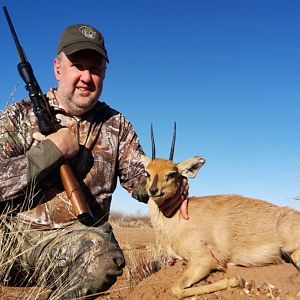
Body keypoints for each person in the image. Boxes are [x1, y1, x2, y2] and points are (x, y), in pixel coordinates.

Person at [0, 24, 189, 298]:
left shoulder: (117, 125)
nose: (86, 77)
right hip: (10, 241)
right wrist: (48, 152)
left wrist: (172, 184)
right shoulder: (17, 115)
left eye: (96, 69)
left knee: (102, 260)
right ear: (57, 68)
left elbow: (140, 180)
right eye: (77, 66)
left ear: (104, 74)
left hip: (75, 244)